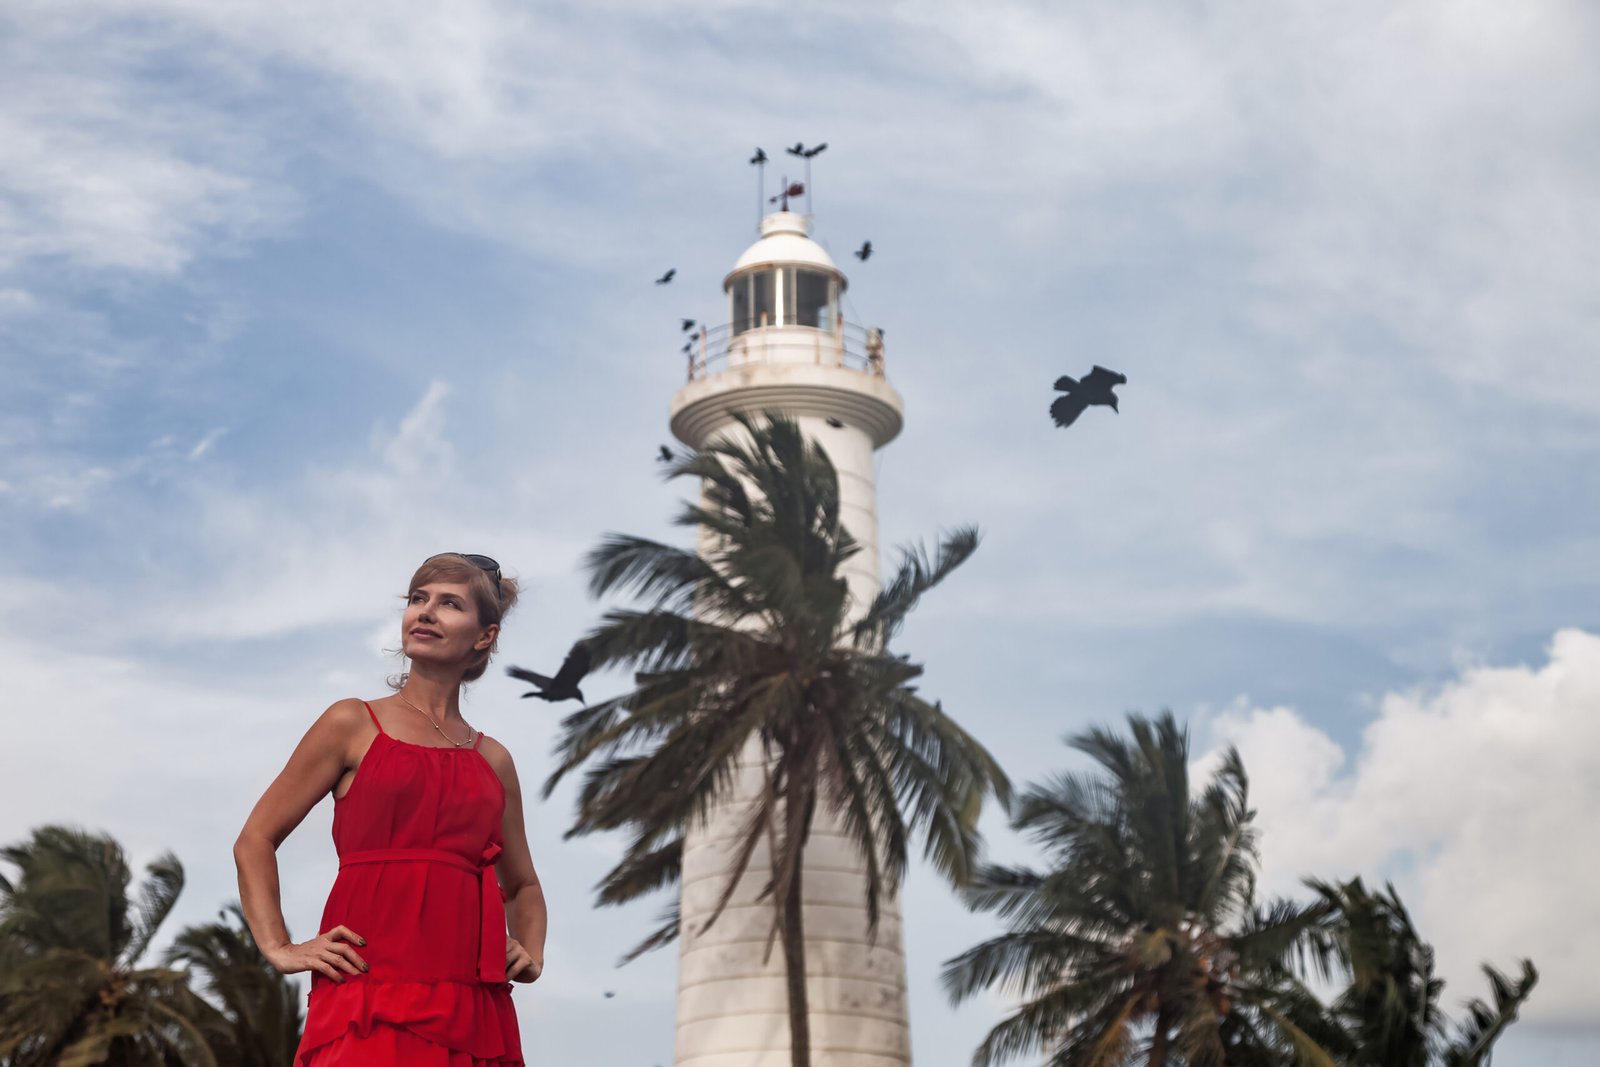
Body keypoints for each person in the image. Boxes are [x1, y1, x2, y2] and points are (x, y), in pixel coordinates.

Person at [234, 552, 543, 1065]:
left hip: (473, 1004)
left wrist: (529, 949)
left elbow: (525, 883)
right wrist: (280, 946)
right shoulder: (351, 723)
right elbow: (254, 840)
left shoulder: (494, 760)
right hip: (367, 990)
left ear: (484, 636)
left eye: (449, 604)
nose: (425, 612)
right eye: (418, 599)